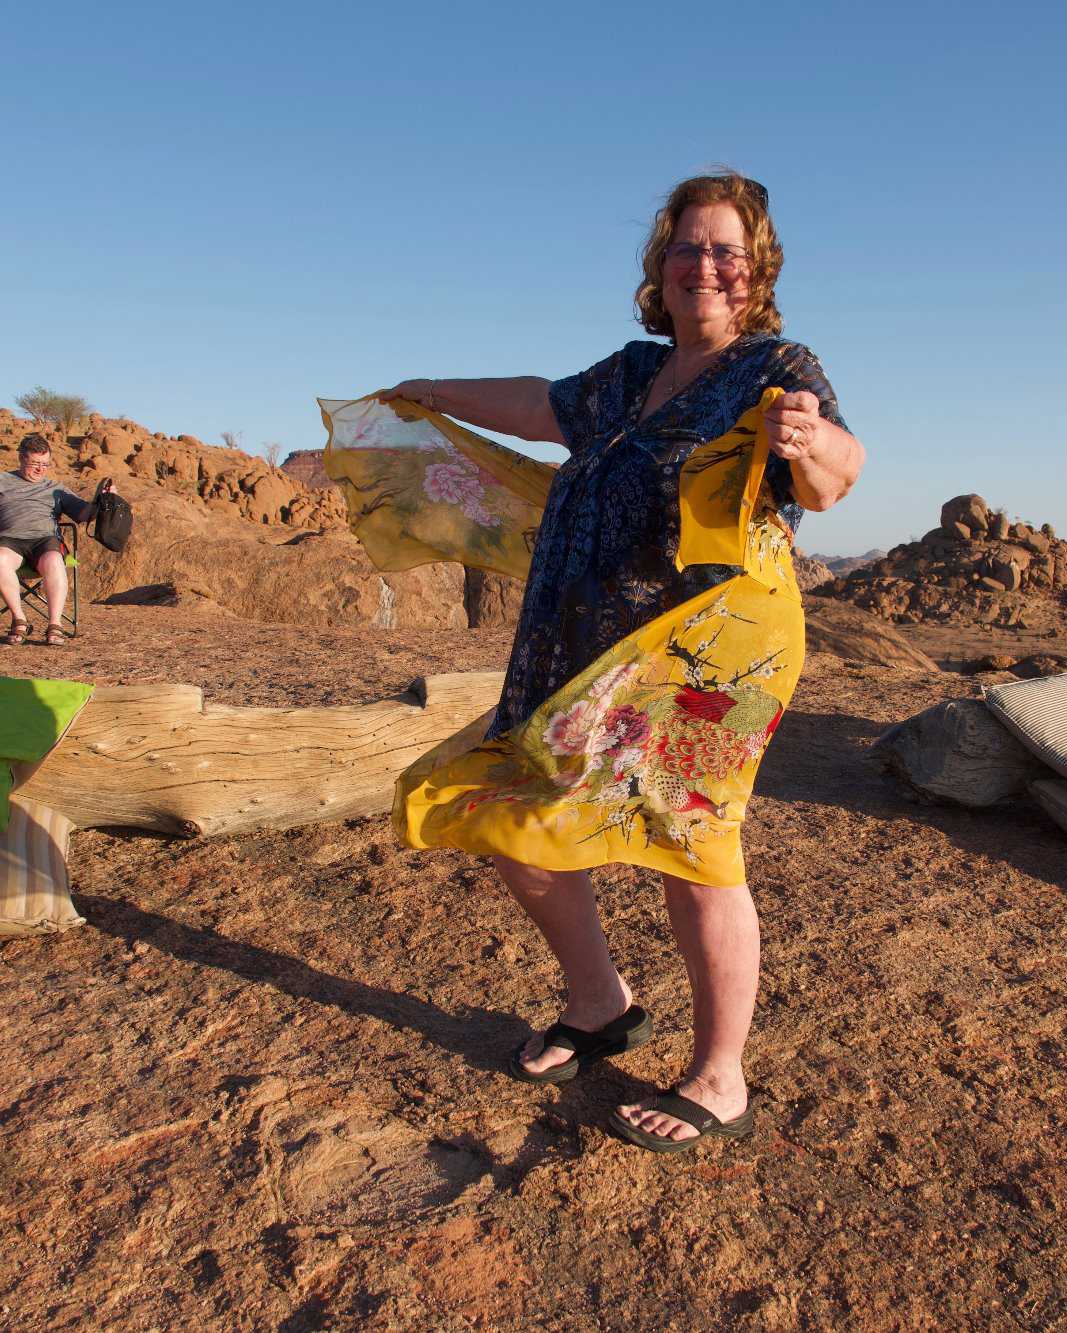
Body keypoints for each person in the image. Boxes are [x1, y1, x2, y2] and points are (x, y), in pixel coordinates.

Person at [378, 171, 866, 1151]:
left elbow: (834, 472)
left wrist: (810, 443)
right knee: (509, 810)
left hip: (711, 650)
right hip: (587, 640)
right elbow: (538, 403)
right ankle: (600, 1003)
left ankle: (720, 1074)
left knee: (693, 846)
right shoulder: (628, 374)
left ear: (757, 268)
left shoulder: (776, 367)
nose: (704, 266)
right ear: (661, 263)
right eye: (687, 246)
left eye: (726, 250)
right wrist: (430, 392)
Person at [0, 434, 113, 645]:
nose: (40, 469)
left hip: (44, 540)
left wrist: (105, 500)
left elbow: (84, 514)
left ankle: (54, 625)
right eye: (35, 463)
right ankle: (19, 620)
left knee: (54, 560)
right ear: (21, 458)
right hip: (8, 540)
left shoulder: (56, 489)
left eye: (45, 464)